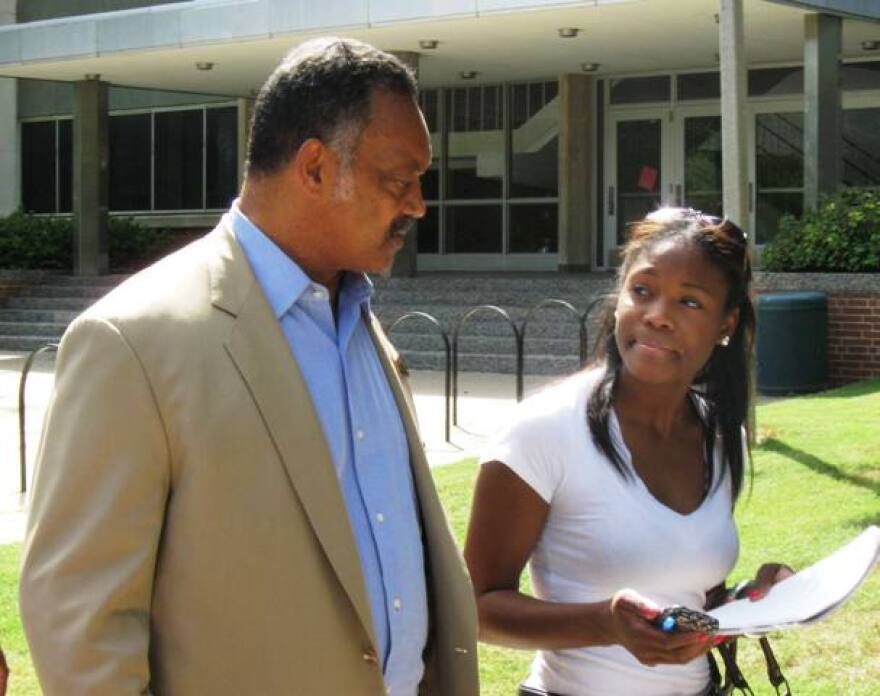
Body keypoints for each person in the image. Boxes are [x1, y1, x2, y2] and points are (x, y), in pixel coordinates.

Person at [19, 37, 478, 696]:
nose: (417, 206)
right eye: (399, 180)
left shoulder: (361, 323)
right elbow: (81, 627)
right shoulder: (130, 344)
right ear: (315, 167)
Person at [464, 207, 792, 696]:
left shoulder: (719, 437)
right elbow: (475, 608)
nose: (658, 315)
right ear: (619, 298)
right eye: (642, 290)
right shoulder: (543, 430)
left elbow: (685, 592)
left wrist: (753, 601)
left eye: (690, 302)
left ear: (727, 323)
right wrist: (605, 624)